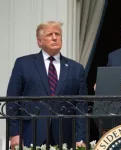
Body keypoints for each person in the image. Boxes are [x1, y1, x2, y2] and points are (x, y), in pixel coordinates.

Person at [7, 21, 87, 149]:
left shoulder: (76, 68)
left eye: (58, 34)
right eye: (50, 34)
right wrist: (14, 133)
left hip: (65, 135)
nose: (55, 38)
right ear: (39, 41)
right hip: (31, 133)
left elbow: (81, 106)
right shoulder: (23, 64)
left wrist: (81, 137)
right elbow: (12, 101)